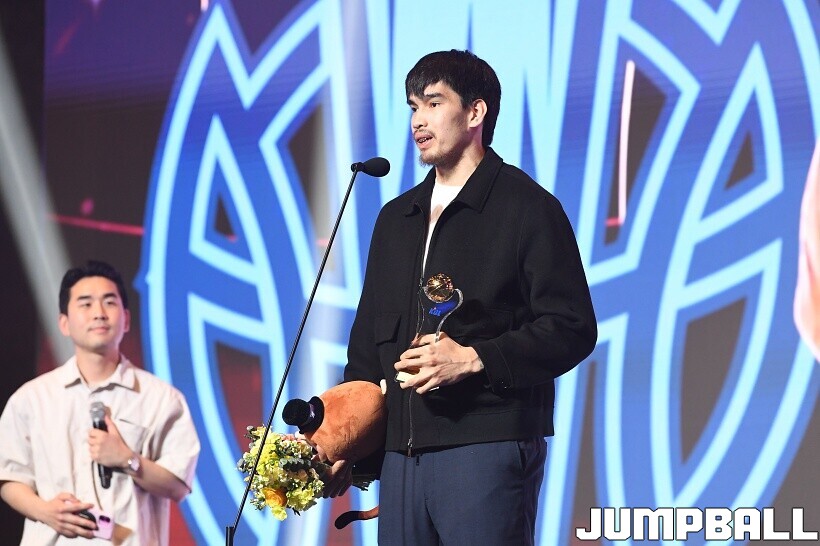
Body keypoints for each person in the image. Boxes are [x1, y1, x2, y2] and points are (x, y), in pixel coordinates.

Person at [332, 50, 597, 544]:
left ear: (475, 112)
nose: (418, 120)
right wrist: (352, 446)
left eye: (433, 104)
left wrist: (475, 358)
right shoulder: (395, 219)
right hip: (401, 459)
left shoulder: (527, 207)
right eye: (413, 107)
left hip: (485, 447)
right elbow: (367, 348)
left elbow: (571, 327)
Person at [0, 260, 200, 545]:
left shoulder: (161, 399)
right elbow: (9, 477)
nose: (99, 313)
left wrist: (128, 460)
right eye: (85, 304)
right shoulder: (31, 399)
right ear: (64, 323)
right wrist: (45, 512)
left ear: (126, 319)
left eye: (109, 302)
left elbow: (178, 485)